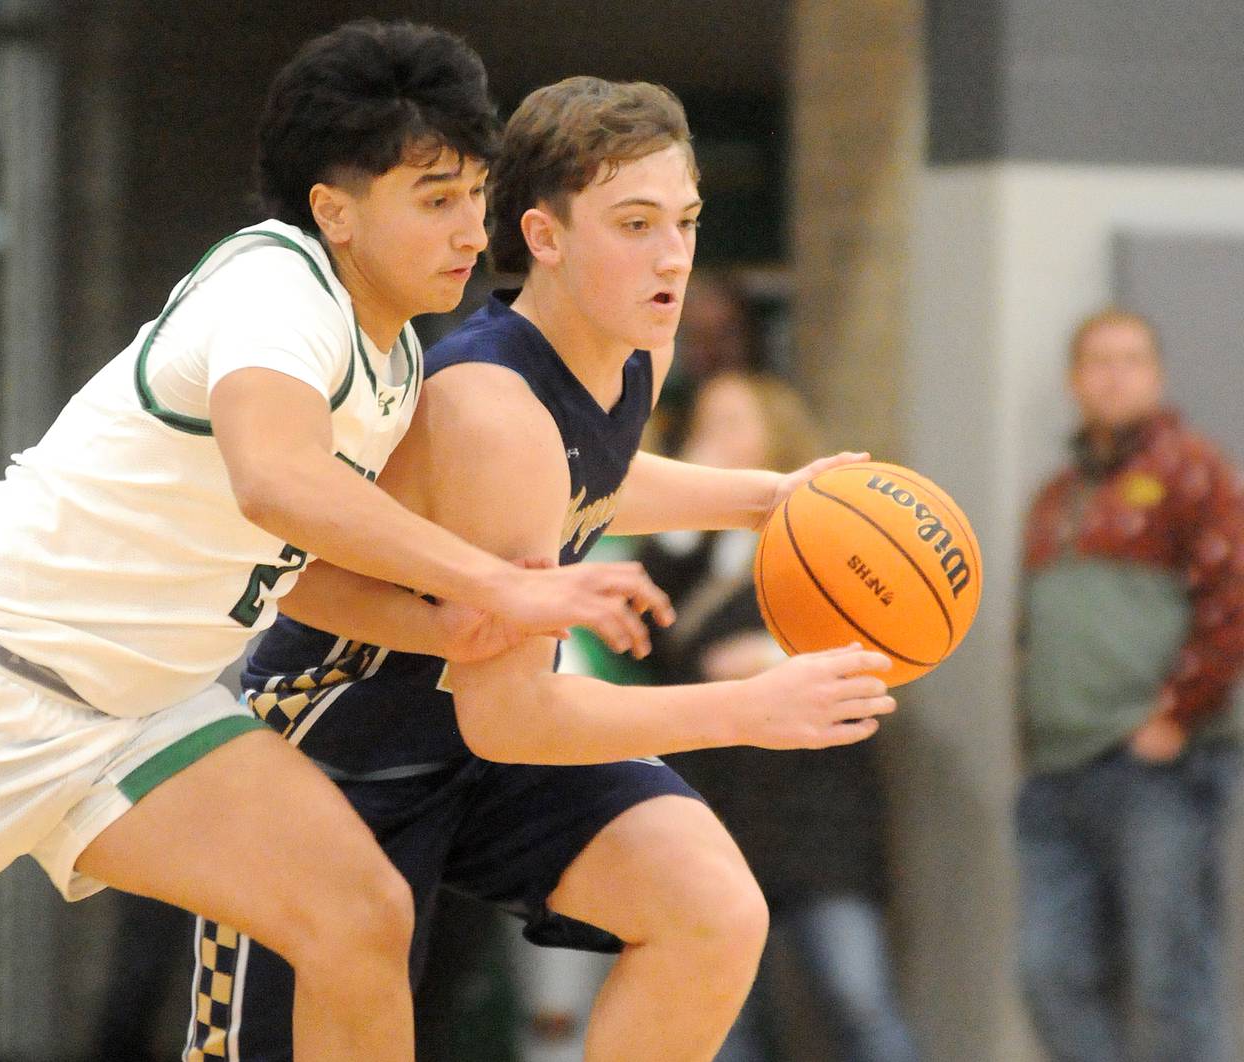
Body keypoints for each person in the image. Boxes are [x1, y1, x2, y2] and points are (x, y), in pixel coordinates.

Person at [0, 22, 671, 1061]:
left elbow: (296, 578)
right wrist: (502, 583)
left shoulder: (393, 358)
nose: (466, 231)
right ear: (334, 210)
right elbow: (279, 486)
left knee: (360, 916)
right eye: (435, 198)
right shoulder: (273, 287)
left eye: (475, 198)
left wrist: (444, 626)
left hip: (128, 717)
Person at [185, 75, 895, 1062]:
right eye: (636, 223)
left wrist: (768, 498)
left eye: (685, 221)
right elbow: (512, 711)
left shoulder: (624, 355)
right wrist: (747, 709)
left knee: (711, 910)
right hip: (338, 744)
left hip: (475, 748)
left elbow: (597, 477)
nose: (674, 256)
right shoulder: (492, 405)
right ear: (546, 238)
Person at [642, 372, 919, 1062]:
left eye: (731, 422)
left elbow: (881, 638)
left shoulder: (829, 534)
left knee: (857, 997)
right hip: (718, 807)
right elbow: (645, 629)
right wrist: (686, 503)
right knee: (727, 1016)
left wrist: (772, 656)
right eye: (702, 426)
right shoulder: (691, 554)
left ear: (777, 433)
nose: (711, 440)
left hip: (816, 812)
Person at [1015, 308, 1244, 1062]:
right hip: (1055, 771)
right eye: (1098, 361)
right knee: (1049, 973)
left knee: (1169, 980)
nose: (1114, 375)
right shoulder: (1054, 497)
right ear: (1075, 381)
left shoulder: (1192, 470)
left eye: (1132, 359)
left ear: (1158, 375)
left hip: (1156, 769)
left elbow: (1233, 599)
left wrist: (1176, 716)